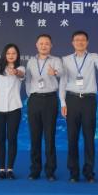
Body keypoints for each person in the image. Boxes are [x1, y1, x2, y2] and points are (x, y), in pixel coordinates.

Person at [59, 30, 98, 183]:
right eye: (77, 40)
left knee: (89, 137)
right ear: (72, 42)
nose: (80, 42)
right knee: (72, 138)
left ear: (87, 42)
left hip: (88, 101)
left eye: (83, 40)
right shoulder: (66, 59)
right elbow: (63, 82)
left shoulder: (93, 57)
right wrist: (63, 102)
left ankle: (89, 172)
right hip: (72, 99)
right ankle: (73, 172)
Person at [25, 34, 63, 181]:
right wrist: (31, 95)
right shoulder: (31, 61)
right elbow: (28, 81)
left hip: (50, 100)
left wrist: (55, 73)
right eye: (41, 43)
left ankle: (50, 171)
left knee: (49, 137)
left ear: (51, 46)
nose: (44, 46)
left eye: (47, 43)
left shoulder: (56, 60)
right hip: (34, 100)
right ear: (36, 45)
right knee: (35, 137)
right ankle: (35, 170)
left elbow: (62, 73)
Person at [0, 44, 26, 179]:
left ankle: (10, 169)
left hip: (14, 109)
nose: (11, 55)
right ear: (5, 55)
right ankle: (1, 169)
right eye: (8, 53)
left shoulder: (21, 68)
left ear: (17, 55)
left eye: (13, 53)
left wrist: (15, 72)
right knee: (0, 139)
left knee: (12, 139)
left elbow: (21, 74)